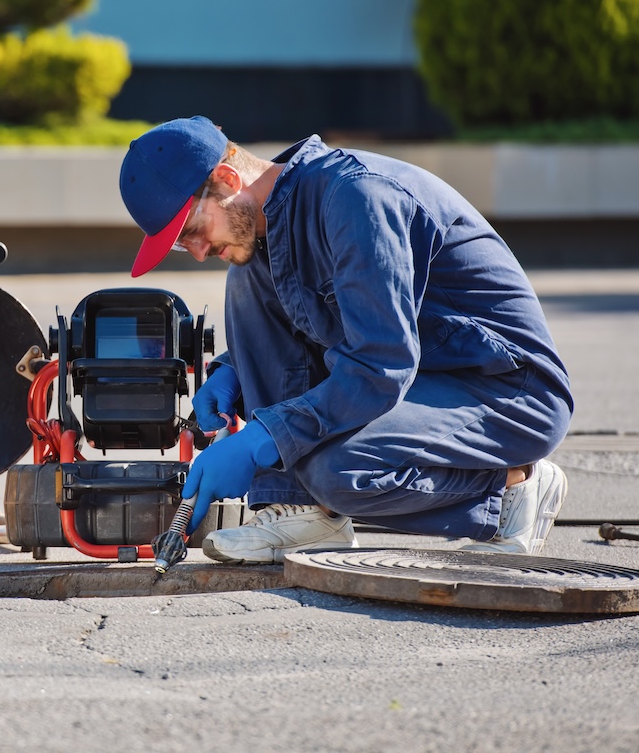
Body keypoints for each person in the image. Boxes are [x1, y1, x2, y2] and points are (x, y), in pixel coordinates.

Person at [118, 116, 573, 563]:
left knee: (340, 472)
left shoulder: (357, 198)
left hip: (507, 389)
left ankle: (515, 486)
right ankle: (304, 513)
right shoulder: (269, 222)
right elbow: (321, 324)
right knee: (246, 270)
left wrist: (266, 437)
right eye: (181, 244)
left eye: (191, 232)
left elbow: (381, 365)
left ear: (226, 178)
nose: (196, 252)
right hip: (421, 376)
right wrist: (234, 371)